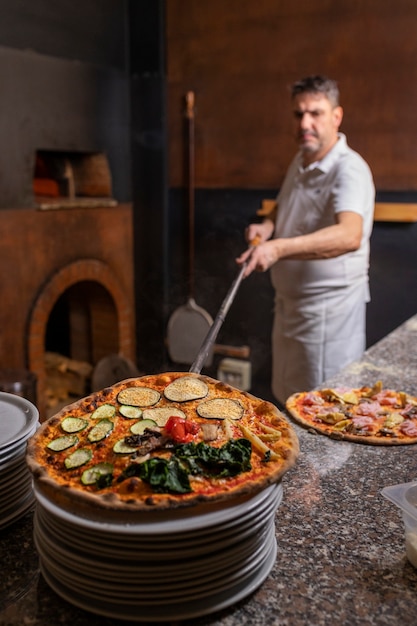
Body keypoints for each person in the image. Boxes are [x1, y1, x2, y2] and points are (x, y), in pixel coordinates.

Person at [237, 75, 375, 405]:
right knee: (288, 399)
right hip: (289, 308)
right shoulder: (301, 161)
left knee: (323, 408)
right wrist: (268, 228)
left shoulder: (349, 169)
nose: (305, 123)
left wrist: (278, 248)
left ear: (336, 116)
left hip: (329, 317)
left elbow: (349, 235)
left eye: (315, 113)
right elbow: (286, 206)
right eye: (299, 114)